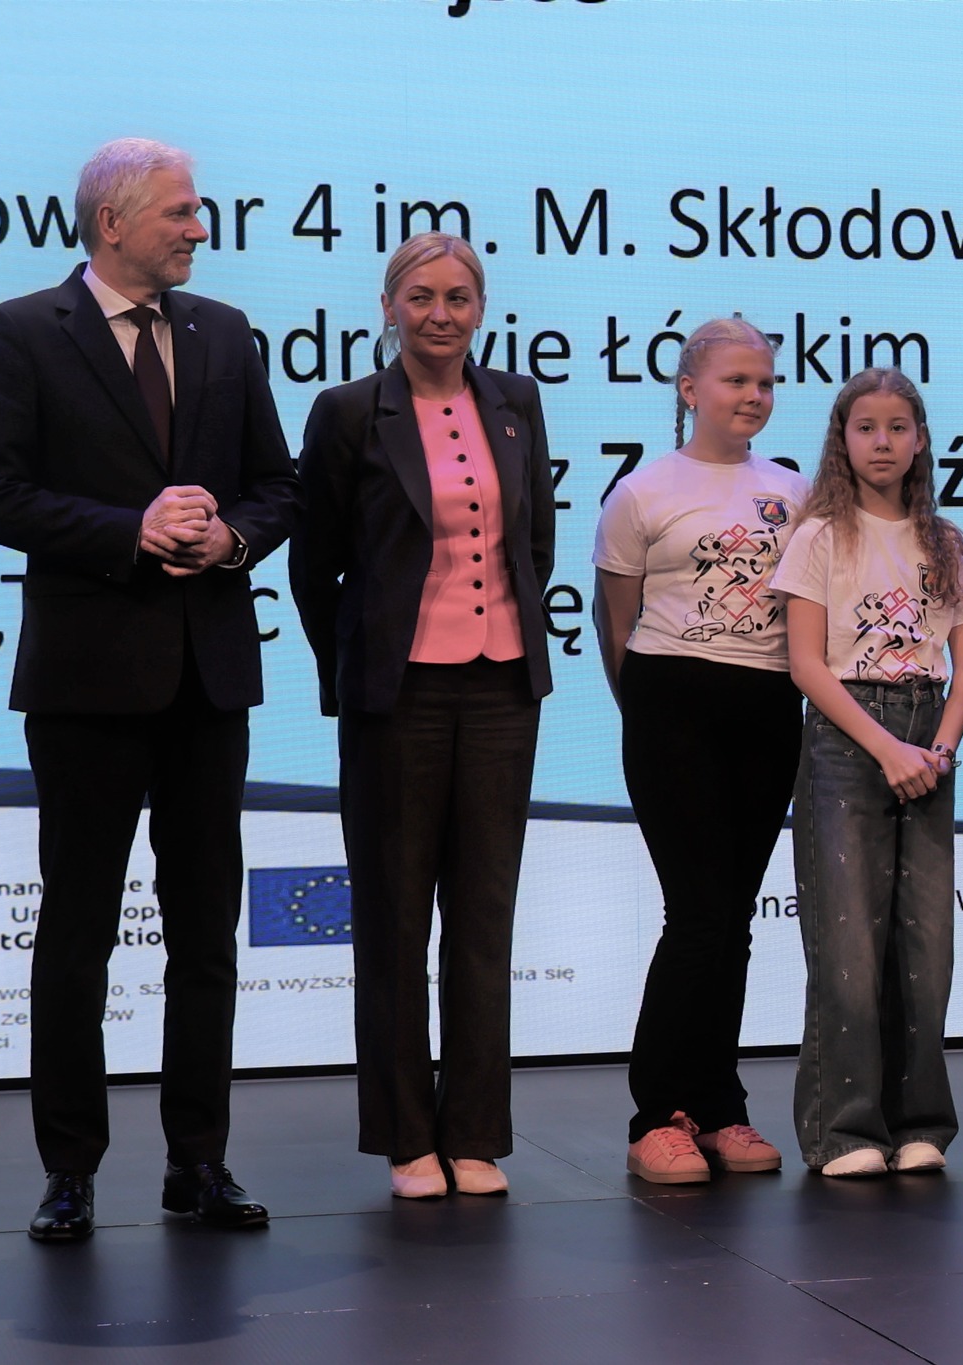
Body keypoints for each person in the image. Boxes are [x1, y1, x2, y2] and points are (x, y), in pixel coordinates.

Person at [0, 138, 302, 1241]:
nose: (200, 229)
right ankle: (70, 1169)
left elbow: (277, 485)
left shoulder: (224, 333)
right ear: (112, 222)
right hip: (87, 680)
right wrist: (129, 531)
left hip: (210, 675)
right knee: (78, 933)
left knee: (206, 934)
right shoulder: (22, 331)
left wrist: (231, 539)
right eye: (180, 212)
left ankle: (198, 1161)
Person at [290, 233, 556, 1199]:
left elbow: (536, 543)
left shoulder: (517, 402)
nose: (440, 314)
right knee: (395, 921)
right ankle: (408, 1137)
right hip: (396, 696)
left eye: (458, 297)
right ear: (389, 306)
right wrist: (354, 670)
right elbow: (314, 565)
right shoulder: (349, 411)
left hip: (501, 689)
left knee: (484, 918)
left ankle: (475, 1131)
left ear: (481, 308)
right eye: (421, 296)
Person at [593, 317, 810, 1184]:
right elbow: (617, 622)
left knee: (735, 918)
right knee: (698, 913)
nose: (754, 395)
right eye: (736, 380)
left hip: (769, 707)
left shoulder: (794, 492)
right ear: (689, 389)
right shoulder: (642, 493)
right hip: (671, 707)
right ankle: (657, 1113)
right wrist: (648, 715)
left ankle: (719, 1106)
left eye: (765, 382)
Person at [771, 368, 963, 1177]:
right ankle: (845, 1129)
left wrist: (939, 748)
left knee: (927, 945)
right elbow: (806, 662)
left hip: (929, 736)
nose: (883, 442)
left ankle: (920, 1120)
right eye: (866, 427)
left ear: (921, 439)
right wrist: (886, 748)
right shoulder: (820, 536)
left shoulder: (946, 541)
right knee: (849, 946)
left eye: (899, 427)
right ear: (843, 438)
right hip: (847, 737)